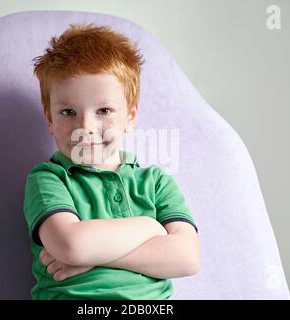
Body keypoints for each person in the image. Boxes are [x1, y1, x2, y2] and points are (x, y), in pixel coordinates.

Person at [23, 23, 200, 300]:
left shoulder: (155, 182)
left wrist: (95, 256)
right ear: (50, 119)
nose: (85, 127)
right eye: (68, 112)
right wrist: (150, 227)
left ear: (129, 117)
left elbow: (187, 257)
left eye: (104, 110)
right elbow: (71, 245)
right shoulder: (49, 178)